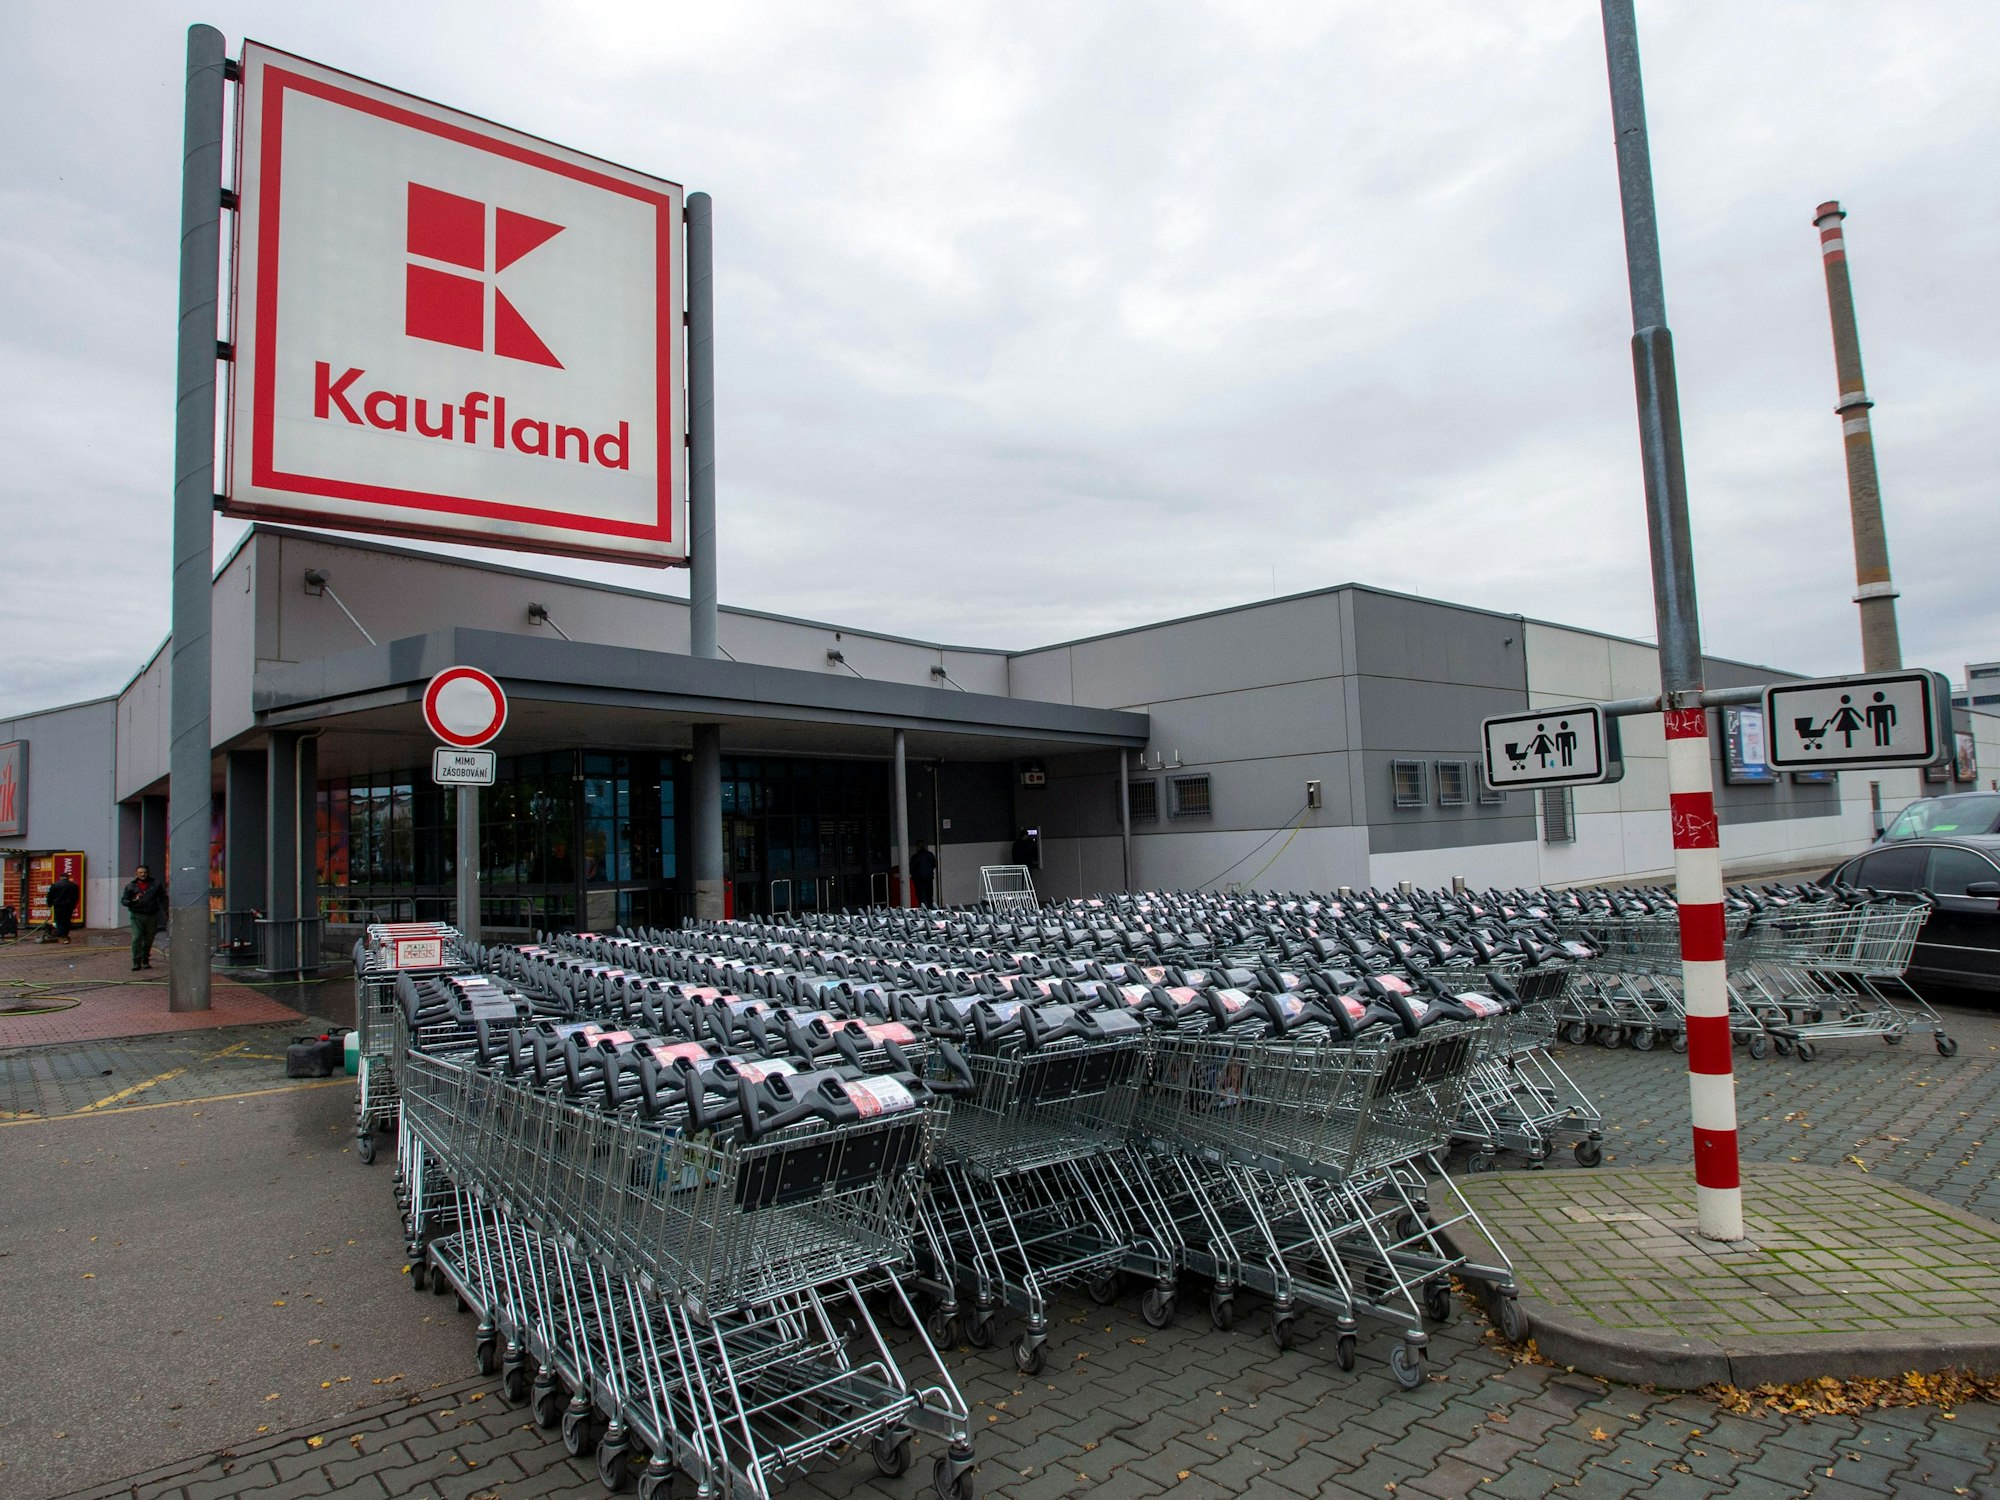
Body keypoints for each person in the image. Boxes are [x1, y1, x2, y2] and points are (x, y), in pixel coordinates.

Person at [121, 864, 166, 972]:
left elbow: (163, 898)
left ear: (148, 873)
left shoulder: (156, 885)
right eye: (140, 873)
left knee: (148, 939)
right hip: (137, 916)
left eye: (145, 872)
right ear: (136, 874)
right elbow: (124, 901)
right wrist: (133, 901)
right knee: (137, 938)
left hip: (151, 916)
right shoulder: (130, 886)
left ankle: (145, 960)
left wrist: (167, 911)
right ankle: (136, 962)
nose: (143, 874)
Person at [46, 869, 80, 944]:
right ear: (68, 877)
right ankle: (66, 935)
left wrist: (49, 904)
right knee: (67, 921)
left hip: (58, 906)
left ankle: (62, 936)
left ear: (60, 877)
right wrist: (74, 904)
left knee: (59, 921)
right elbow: (76, 896)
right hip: (69, 906)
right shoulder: (74, 885)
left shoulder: (55, 885)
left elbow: (50, 896)